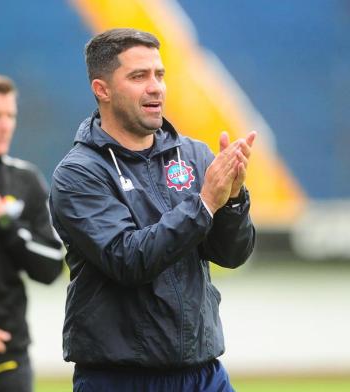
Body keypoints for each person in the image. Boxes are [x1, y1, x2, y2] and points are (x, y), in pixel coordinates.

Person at [50, 28, 256, 392]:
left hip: (204, 372)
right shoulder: (79, 173)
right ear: (102, 90)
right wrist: (206, 202)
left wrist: (234, 199)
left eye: (159, 74)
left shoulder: (193, 155)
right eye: (138, 76)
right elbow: (128, 259)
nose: (155, 86)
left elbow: (232, 254)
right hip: (119, 378)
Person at [0, 72, 64, 392]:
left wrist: (2, 219)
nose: (5, 126)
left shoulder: (25, 180)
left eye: (10, 116)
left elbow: (50, 267)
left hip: (7, 362)